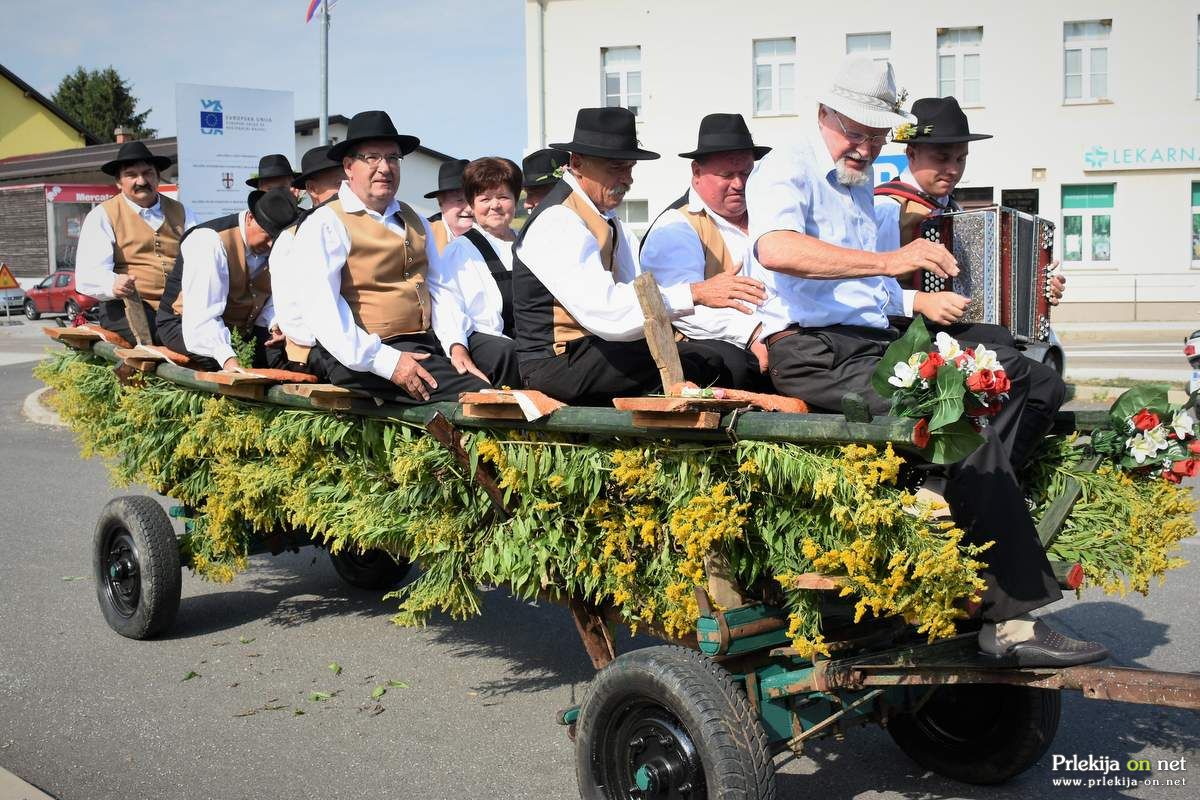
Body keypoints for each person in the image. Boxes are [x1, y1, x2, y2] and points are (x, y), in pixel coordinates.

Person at [746, 58, 1106, 667]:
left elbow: (875, 294)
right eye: (855, 131)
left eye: (878, 134)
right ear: (824, 115)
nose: (865, 146)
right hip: (811, 351)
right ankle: (1008, 625)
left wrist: (915, 292)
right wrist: (894, 265)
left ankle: (943, 498)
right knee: (958, 417)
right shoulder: (787, 165)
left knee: (1029, 380)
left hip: (870, 342)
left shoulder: (860, 184)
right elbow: (777, 249)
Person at [512, 107, 758, 405]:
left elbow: (635, 291)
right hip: (556, 363)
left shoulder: (604, 216)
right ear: (577, 164)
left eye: (630, 168)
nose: (627, 179)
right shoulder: (558, 220)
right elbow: (608, 313)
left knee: (723, 358)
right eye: (616, 168)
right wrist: (696, 293)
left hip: (593, 351)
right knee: (706, 363)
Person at [288, 110, 489, 403]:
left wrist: (456, 344)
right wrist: (388, 362)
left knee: (506, 359)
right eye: (372, 157)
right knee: (479, 395)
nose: (384, 167)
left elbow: (440, 287)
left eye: (393, 158)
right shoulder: (325, 223)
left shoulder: (415, 218)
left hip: (424, 340)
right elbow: (323, 312)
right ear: (348, 166)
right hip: (362, 354)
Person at [873, 96, 1065, 329]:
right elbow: (871, 290)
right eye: (942, 158)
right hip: (902, 333)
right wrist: (921, 301)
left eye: (961, 159)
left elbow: (986, 281)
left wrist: (1037, 285)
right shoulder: (888, 207)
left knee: (1011, 345)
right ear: (912, 153)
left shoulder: (955, 211)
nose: (953, 169)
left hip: (950, 330)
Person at [640, 113, 772, 390]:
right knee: (732, 365)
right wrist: (753, 333)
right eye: (727, 175)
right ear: (696, 172)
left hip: (776, 334)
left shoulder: (768, 214)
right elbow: (684, 309)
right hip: (722, 348)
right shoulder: (675, 227)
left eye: (746, 173)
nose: (739, 183)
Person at [155, 188, 299, 371]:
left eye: (276, 238)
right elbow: (201, 316)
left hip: (240, 330)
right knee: (214, 363)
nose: (271, 244)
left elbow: (274, 297)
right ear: (250, 218)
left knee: (288, 359)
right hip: (184, 324)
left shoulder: (277, 249)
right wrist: (228, 358)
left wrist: (274, 326)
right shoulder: (208, 241)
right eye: (267, 234)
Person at [76, 140, 197, 345]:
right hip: (127, 306)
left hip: (178, 306)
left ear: (158, 177)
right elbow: (87, 275)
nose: (141, 181)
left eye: (148, 173)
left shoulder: (183, 212)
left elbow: (200, 257)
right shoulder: (102, 216)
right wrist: (113, 283)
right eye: (131, 175)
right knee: (166, 336)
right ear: (119, 182)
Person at [433, 157, 524, 387]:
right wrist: (457, 347)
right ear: (472, 205)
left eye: (503, 197)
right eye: (485, 199)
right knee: (509, 353)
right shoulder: (461, 250)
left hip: (529, 339)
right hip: (487, 342)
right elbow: (447, 305)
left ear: (515, 200)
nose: (495, 205)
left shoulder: (529, 244)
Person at [271, 145, 345, 367]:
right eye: (338, 184)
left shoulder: (354, 226)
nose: (346, 191)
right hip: (316, 353)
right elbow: (290, 312)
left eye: (349, 182)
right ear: (312, 189)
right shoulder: (291, 237)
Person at [424, 159, 472, 253]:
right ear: (441, 203)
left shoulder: (491, 234)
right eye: (460, 200)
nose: (469, 208)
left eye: (472, 200)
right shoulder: (423, 234)